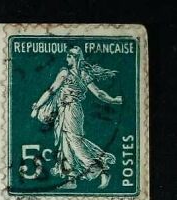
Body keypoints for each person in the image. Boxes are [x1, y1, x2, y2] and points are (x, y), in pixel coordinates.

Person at [31, 45, 122, 189]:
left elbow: (52, 90)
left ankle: (99, 168)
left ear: (75, 58)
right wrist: (38, 106)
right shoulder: (74, 73)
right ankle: (71, 179)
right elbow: (52, 90)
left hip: (72, 110)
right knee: (65, 143)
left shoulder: (71, 73)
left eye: (69, 56)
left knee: (74, 141)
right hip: (64, 110)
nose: (67, 58)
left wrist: (113, 100)